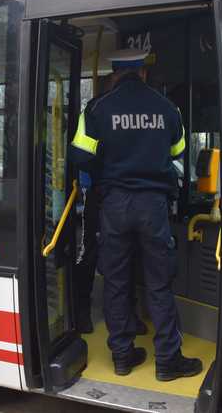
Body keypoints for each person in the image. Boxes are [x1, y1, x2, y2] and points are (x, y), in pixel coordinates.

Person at [69, 49, 202, 381]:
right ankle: (168, 361)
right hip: (153, 205)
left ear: (115, 74)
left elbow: (80, 157)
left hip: (114, 204)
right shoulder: (167, 108)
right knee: (159, 283)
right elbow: (178, 151)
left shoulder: (97, 108)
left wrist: (108, 165)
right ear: (142, 72)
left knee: (116, 281)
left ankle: (123, 357)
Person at [75, 75, 148, 337]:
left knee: (117, 256)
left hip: (109, 193)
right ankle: (83, 312)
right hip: (97, 192)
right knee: (93, 254)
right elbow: (82, 157)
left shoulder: (100, 110)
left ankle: (122, 316)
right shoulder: (97, 110)